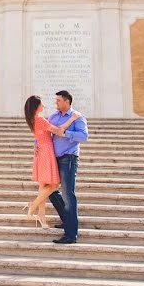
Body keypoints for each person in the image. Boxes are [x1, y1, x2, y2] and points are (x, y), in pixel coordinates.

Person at [22, 95, 82, 228]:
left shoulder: (34, 120)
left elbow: (40, 135)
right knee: (54, 185)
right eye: (41, 104)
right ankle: (34, 205)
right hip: (46, 152)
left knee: (44, 185)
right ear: (36, 107)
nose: (43, 106)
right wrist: (72, 118)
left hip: (42, 151)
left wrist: (36, 144)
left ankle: (42, 218)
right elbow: (59, 131)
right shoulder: (40, 120)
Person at [47, 90, 88, 244]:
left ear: (67, 101)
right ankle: (67, 219)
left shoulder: (78, 117)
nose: (56, 103)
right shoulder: (53, 117)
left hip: (69, 159)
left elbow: (84, 137)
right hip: (54, 158)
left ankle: (71, 234)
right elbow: (47, 134)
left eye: (58, 100)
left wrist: (66, 133)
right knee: (50, 190)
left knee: (68, 195)